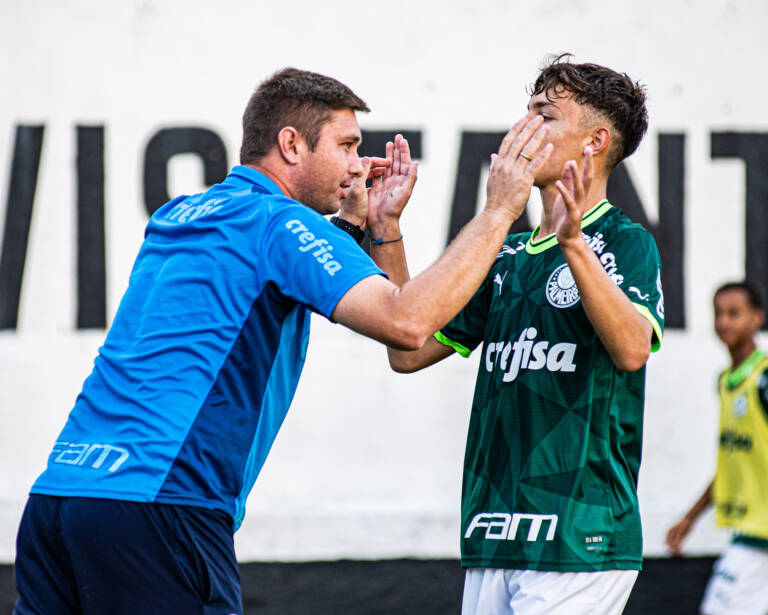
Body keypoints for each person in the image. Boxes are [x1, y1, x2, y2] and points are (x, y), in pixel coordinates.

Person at [13, 67, 554, 614]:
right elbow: (407, 324)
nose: (354, 165)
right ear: (291, 144)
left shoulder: (181, 215)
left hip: (60, 496)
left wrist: (363, 226)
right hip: (162, 505)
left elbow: (261, 286)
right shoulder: (281, 223)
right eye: (345, 145)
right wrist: (500, 209)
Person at [370, 55, 665, 615]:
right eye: (525, 113)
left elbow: (630, 350)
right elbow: (406, 349)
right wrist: (386, 231)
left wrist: (573, 243)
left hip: (581, 539)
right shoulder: (502, 252)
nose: (522, 131)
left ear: (595, 140)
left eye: (544, 116)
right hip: (493, 534)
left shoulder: (625, 242)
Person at [666, 280, 768, 615]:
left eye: (734, 313)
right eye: (718, 313)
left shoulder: (763, 379)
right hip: (749, 532)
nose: (723, 321)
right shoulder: (726, 381)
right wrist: (690, 518)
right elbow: (731, 463)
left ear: (756, 318)